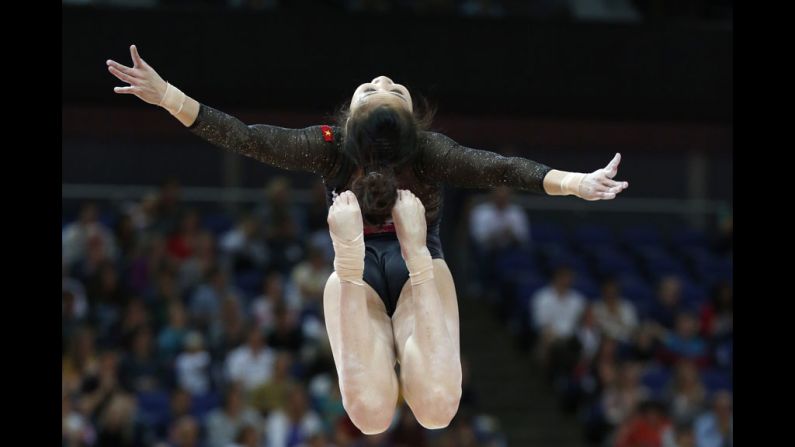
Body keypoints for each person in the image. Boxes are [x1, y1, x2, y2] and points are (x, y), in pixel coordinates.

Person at [106, 45, 629, 433]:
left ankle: (388, 259)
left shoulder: (423, 151)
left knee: (437, 409)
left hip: (418, 267)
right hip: (366, 274)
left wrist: (574, 183)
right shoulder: (331, 146)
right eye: (378, 86)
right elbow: (246, 137)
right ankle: (357, 260)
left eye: (388, 87)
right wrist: (167, 96)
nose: (382, 77)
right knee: (374, 416)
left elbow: (503, 167)